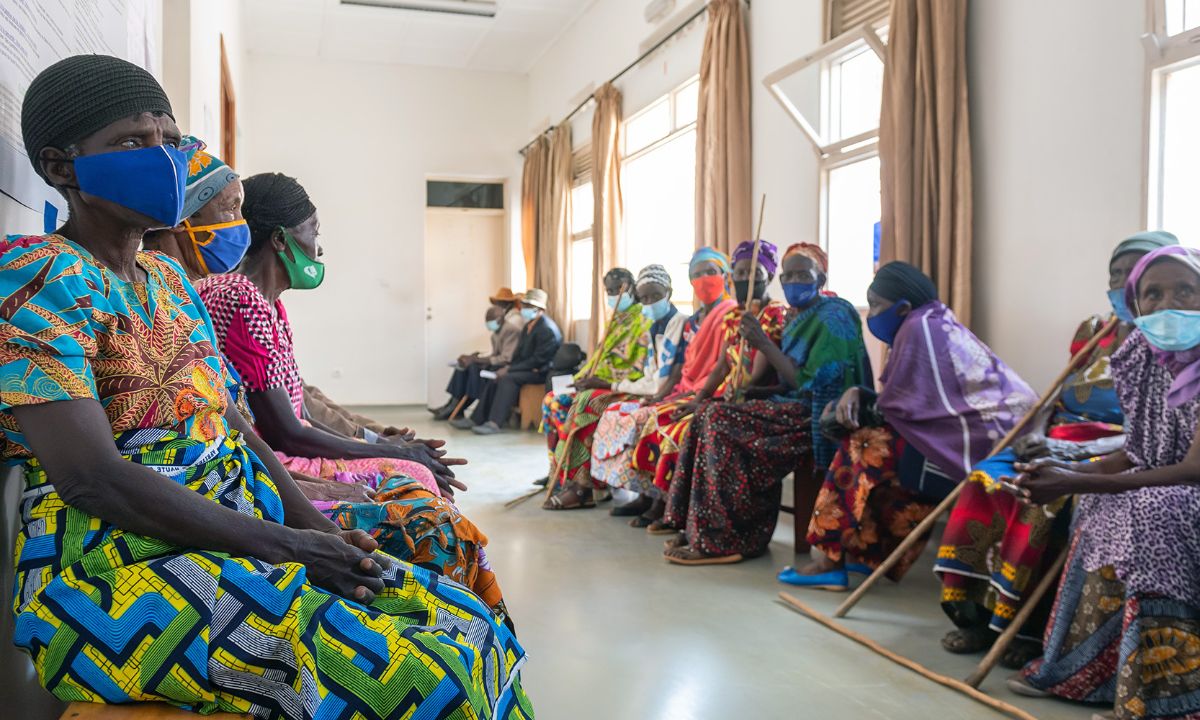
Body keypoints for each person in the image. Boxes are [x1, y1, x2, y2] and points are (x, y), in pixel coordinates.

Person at [4, 54, 530, 719]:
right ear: (61, 166)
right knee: (437, 673)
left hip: (232, 527)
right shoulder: (35, 275)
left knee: (466, 621)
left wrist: (316, 529)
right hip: (112, 567)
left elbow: (236, 426)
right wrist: (290, 546)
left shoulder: (166, 281)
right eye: (134, 142)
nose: (164, 159)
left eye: (168, 139)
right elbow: (92, 480)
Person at [933, 231, 1177, 667]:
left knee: (1047, 500)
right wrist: (1039, 432)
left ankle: (1026, 630)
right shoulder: (1094, 329)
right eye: (1115, 273)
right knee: (988, 478)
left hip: (1109, 443)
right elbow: (1062, 392)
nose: (1123, 283)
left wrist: (1071, 455)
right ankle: (973, 616)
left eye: (1133, 274)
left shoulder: (1172, 345)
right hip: (1061, 433)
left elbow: (1149, 434)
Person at [1003, 245, 1200, 720]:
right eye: (1152, 293)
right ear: (1135, 305)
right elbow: (1135, 452)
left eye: (1186, 290)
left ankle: (1162, 698)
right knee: (1100, 507)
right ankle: (1084, 672)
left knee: (1153, 512)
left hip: (1186, 488)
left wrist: (1079, 481)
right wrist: (1068, 477)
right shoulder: (1140, 355)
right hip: (1170, 483)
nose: (1167, 302)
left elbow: (1195, 469)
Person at [783, 261, 1037, 591]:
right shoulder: (935, 321)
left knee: (861, 445)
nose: (871, 313)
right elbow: (911, 404)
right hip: (1002, 435)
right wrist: (860, 395)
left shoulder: (919, 329)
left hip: (989, 444)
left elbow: (899, 409)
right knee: (881, 450)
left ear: (903, 308)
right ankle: (866, 555)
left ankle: (829, 560)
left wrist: (855, 400)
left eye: (876, 305)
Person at [661, 244, 871, 565]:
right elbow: (785, 383)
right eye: (790, 276)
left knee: (718, 420)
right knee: (705, 413)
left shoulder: (834, 314)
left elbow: (811, 385)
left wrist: (761, 343)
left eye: (804, 274)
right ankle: (702, 528)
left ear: (821, 278)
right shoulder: (797, 317)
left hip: (816, 416)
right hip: (790, 405)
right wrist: (755, 393)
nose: (795, 281)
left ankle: (721, 540)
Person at [635, 239, 790, 532]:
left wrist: (720, 398)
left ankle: (683, 514)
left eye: (753, 273)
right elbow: (721, 365)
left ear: (768, 276)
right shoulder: (734, 316)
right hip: (722, 394)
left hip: (752, 396)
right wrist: (701, 398)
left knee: (686, 430)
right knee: (667, 418)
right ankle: (665, 504)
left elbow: (755, 375)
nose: (745, 280)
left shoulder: (773, 314)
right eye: (740, 273)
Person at [590, 247, 739, 527]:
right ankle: (643, 493)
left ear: (725, 276)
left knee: (653, 420)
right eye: (696, 274)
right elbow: (682, 369)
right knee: (618, 414)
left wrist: (663, 396)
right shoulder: (693, 321)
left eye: (711, 272)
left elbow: (720, 366)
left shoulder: (729, 315)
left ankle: (664, 500)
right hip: (684, 388)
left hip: (709, 392)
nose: (704, 279)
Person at [541, 267, 652, 509]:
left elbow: (639, 368)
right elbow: (596, 361)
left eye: (617, 290)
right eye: (609, 291)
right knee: (554, 398)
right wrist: (580, 379)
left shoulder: (643, 320)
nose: (613, 295)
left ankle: (584, 487)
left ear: (631, 288)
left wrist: (599, 381)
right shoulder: (615, 320)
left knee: (586, 403)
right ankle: (560, 472)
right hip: (599, 382)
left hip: (625, 386)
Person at [452, 288, 562, 435]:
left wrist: (510, 370)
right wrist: (509, 366)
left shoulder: (546, 328)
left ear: (539, 309)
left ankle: (494, 422)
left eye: (529, 306)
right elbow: (520, 354)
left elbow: (538, 361)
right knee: (495, 376)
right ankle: (476, 418)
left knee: (507, 379)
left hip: (541, 371)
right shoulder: (529, 326)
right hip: (528, 367)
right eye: (524, 305)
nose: (525, 309)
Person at [432, 288, 526, 421]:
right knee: (464, 366)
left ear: (508, 303)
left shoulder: (514, 321)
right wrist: (477, 357)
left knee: (472, 368)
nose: (498, 305)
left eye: (500, 302)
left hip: (508, 365)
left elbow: (506, 357)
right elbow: (495, 352)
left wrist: (477, 359)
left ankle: (462, 406)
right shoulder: (499, 326)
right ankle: (453, 404)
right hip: (498, 360)